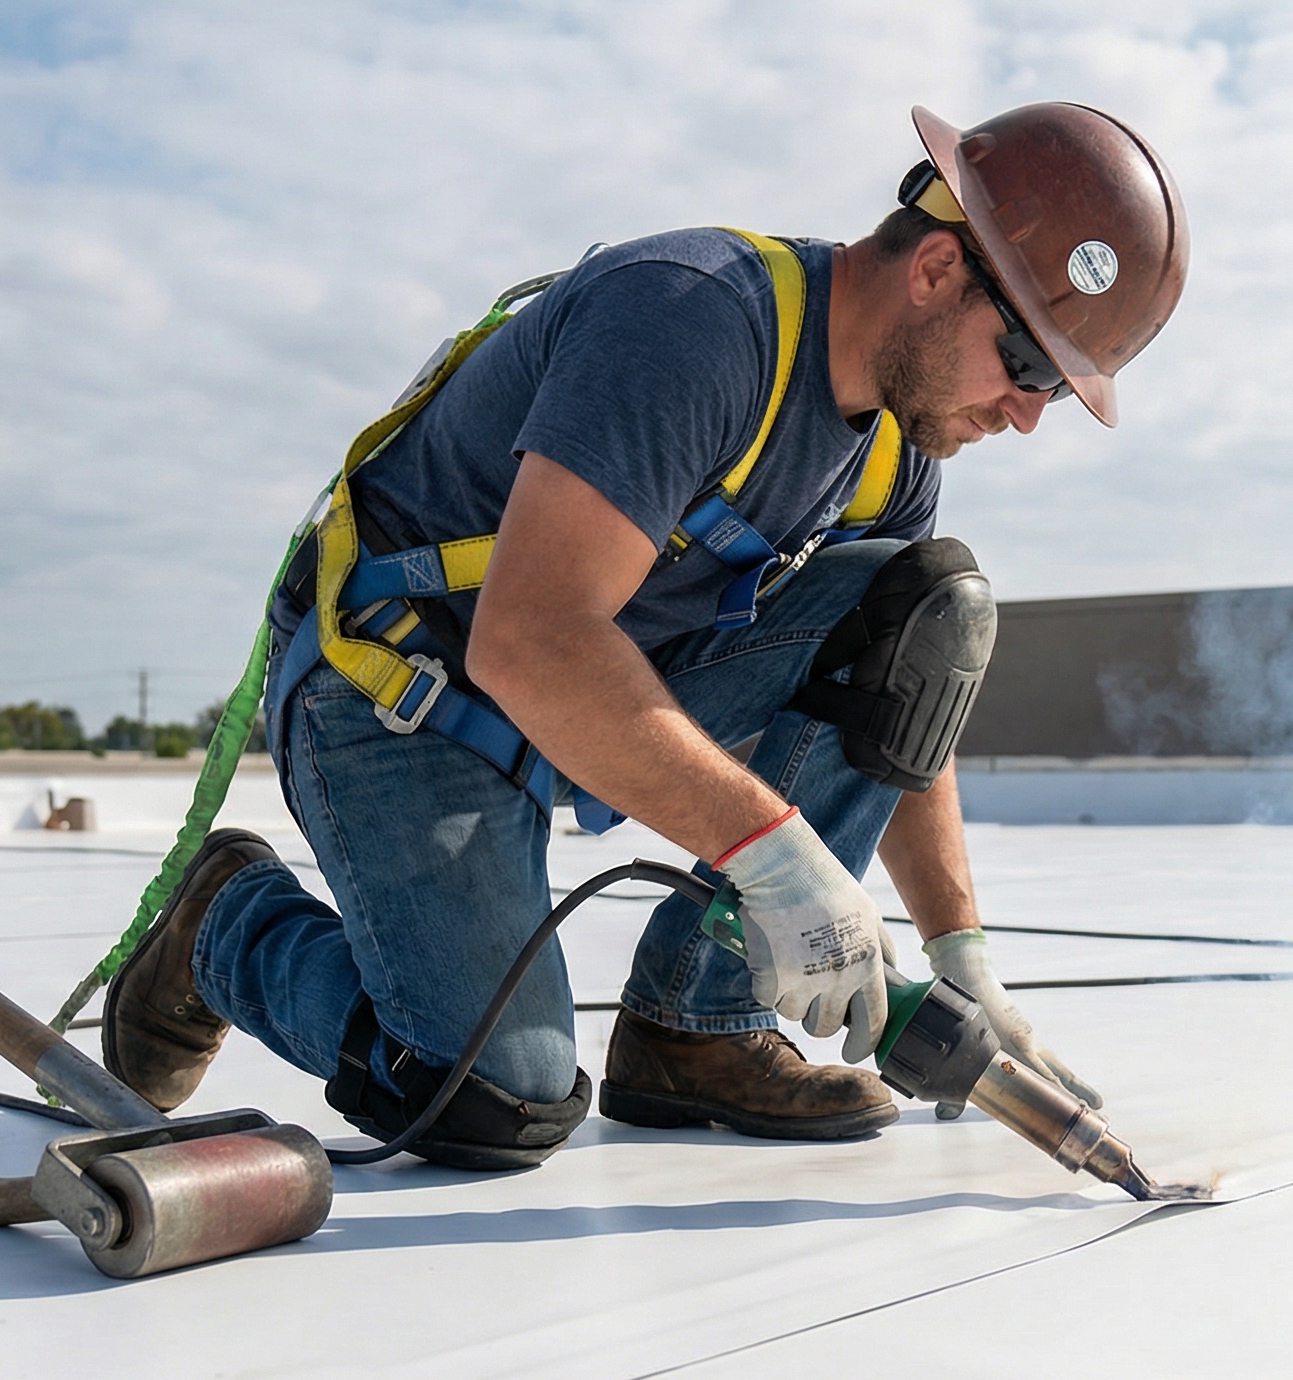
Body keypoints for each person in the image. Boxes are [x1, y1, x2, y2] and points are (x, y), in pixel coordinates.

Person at [99, 103, 1187, 1169]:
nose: (1030, 413)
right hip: (400, 682)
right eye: (1031, 367)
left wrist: (961, 958)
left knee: (924, 602)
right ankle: (222, 926)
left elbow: (903, 699)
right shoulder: (692, 321)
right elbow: (529, 637)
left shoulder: (895, 450)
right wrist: (777, 856)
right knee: (485, 1096)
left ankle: (694, 1030)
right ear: (939, 272)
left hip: (594, 682)